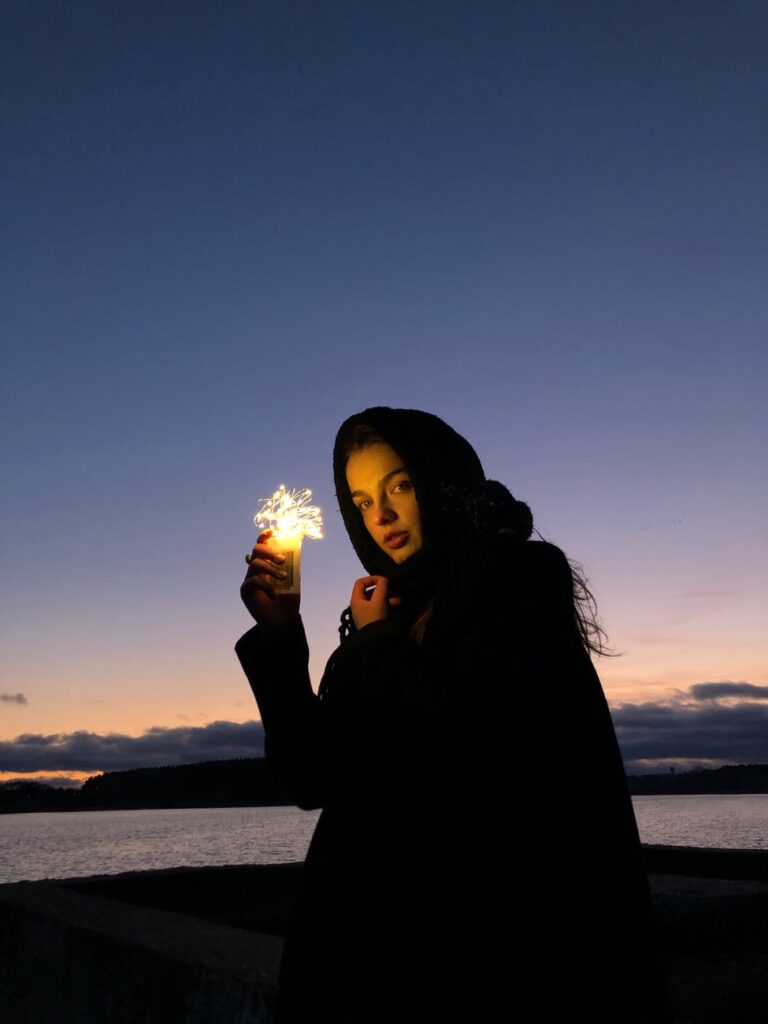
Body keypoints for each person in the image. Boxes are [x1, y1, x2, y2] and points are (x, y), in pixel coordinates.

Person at [235, 406, 672, 1023]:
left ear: (442, 481)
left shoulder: (516, 584)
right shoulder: (389, 608)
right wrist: (281, 636)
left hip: (479, 963)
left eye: (399, 486)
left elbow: (463, 747)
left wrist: (376, 643)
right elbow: (312, 776)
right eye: (361, 502)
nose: (380, 516)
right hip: (374, 964)